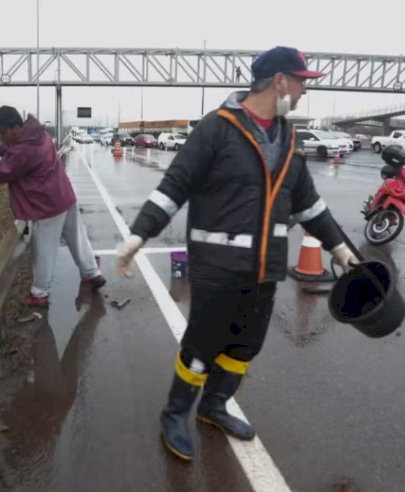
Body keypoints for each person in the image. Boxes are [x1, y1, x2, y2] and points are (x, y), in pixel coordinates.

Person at [115, 46, 359, 461]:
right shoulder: (217, 129)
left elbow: (309, 206)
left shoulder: (289, 138)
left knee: (246, 346)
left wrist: (340, 249)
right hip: (218, 268)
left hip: (265, 269)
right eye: (301, 82)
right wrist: (139, 235)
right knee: (202, 346)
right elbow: (174, 186)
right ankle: (175, 413)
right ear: (280, 81)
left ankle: (214, 405)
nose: (303, 91)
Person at [0, 105, 105, 307]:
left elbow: (2, 172)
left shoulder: (24, 149)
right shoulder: (38, 135)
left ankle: (39, 293)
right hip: (65, 196)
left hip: (46, 206)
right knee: (78, 239)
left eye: (2, 132)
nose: (1, 137)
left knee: (43, 250)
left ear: (14, 127)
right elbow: (15, 151)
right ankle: (92, 273)